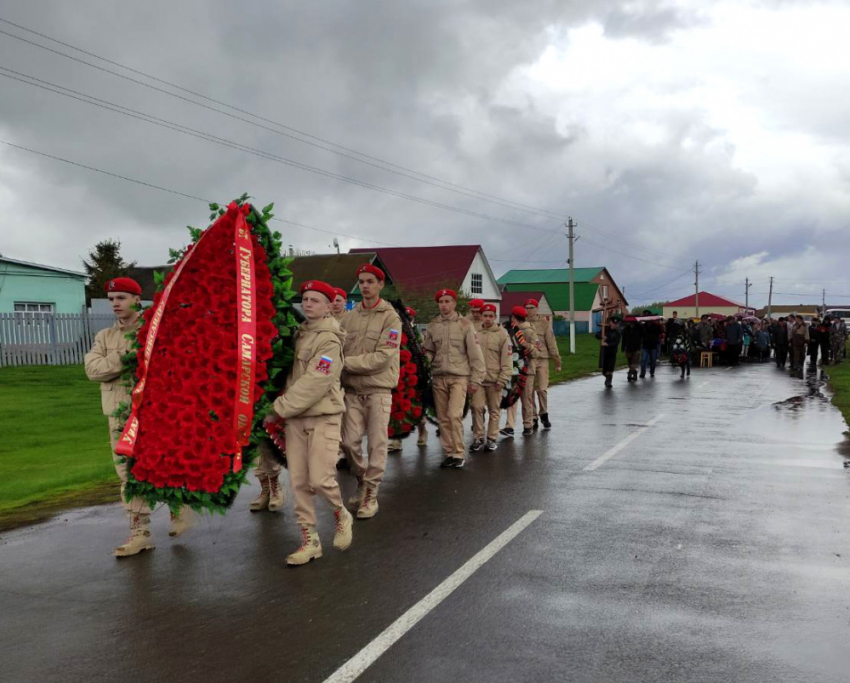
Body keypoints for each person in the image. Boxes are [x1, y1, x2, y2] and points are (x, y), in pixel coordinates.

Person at [85, 277, 194, 558]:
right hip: (118, 415)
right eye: (111, 299)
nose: (115, 304)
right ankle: (140, 533)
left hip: (153, 412)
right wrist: (124, 357)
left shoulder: (154, 330)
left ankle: (178, 506)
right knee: (127, 475)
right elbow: (93, 370)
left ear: (137, 300)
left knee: (161, 465)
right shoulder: (104, 337)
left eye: (121, 298)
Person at [267, 280, 352, 566]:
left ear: (329, 306)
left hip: (323, 417)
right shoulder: (298, 334)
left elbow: (316, 381)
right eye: (305, 299)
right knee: (299, 481)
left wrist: (277, 408)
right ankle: (310, 540)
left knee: (320, 478)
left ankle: (340, 513)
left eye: (315, 300)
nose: (307, 304)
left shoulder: (329, 339)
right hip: (295, 420)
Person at [339, 264, 401, 519]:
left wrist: (346, 364)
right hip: (352, 390)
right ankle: (363, 481)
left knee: (377, 443)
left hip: (378, 389)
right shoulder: (348, 317)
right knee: (349, 443)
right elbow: (336, 349)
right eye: (361, 282)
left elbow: (383, 357)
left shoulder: (391, 317)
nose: (364, 286)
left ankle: (371, 494)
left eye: (369, 282)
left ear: (380, 285)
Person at [422, 288, 485, 468]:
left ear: (454, 303)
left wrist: (476, 379)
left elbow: (475, 354)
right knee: (442, 417)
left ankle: (459, 453)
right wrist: (425, 363)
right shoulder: (433, 325)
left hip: (459, 377)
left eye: (447, 301)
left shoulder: (465, 325)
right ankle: (449, 452)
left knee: (454, 414)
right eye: (441, 302)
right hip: (438, 376)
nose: (444, 305)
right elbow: (429, 350)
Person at [469, 304, 512, 452]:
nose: (487, 319)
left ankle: (492, 438)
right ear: (481, 316)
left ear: (495, 317)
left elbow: (507, 359)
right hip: (478, 379)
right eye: (485, 315)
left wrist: (502, 379)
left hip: (495, 379)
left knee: (494, 410)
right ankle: (478, 437)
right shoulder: (474, 332)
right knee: (476, 407)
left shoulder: (502, 334)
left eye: (490, 316)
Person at [387, 306, 428, 452]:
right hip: (396, 375)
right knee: (396, 408)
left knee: (416, 407)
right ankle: (396, 440)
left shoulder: (416, 336)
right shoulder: (393, 333)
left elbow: (422, 356)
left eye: (409, 319)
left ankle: (422, 431)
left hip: (414, 377)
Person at [500, 307, 540, 437]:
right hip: (513, 369)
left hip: (527, 370)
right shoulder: (507, 330)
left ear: (514, 318)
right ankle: (509, 425)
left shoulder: (529, 331)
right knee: (512, 396)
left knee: (526, 398)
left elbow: (537, 351)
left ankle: (528, 424)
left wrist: (526, 346)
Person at [525, 298, 562, 430]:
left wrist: (557, 360)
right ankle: (533, 416)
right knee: (528, 390)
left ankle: (544, 413)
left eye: (532, 307)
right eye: (527, 308)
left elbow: (551, 343)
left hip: (542, 358)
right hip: (529, 360)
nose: (529, 310)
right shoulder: (523, 324)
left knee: (541, 389)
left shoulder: (544, 324)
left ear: (537, 309)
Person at [597, 315, 621, 388]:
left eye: (616, 324)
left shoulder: (617, 333)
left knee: (610, 368)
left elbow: (616, 343)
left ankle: (608, 381)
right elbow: (596, 335)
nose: (614, 325)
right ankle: (607, 377)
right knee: (604, 370)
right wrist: (602, 336)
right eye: (613, 323)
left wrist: (607, 344)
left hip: (612, 352)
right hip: (604, 353)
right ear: (610, 323)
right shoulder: (605, 329)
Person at [620, 316, 643, 382]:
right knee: (630, 362)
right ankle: (634, 373)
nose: (631, 323)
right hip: (628, 348)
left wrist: (639, 324)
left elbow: (643, 334)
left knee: (634, 362)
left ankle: (630, 374)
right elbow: (623, 339)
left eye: (632, 322)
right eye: (630, 322)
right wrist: (623, 348)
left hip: (636, 348)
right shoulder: (626, 329)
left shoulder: (639, 328)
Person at [640, 312, 662, 378]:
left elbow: (660, 332)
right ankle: (642, 373)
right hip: (645, 345)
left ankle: (652, 371)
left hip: (653, 345)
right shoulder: (643, 326)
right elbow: (641, 334)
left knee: (653, 360)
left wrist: (659, 325)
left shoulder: (655, 326)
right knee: (643, 359)